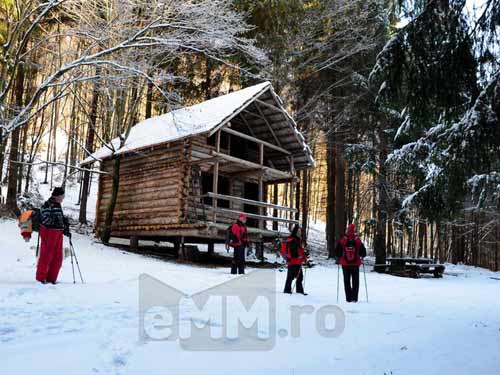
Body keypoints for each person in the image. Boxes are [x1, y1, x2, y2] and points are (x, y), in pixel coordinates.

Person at [36, 187, 71, 284]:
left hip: (58, 234)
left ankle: (51, 279)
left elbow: (59, 219)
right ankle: (41, 278)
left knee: (58, 257)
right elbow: (45, 218)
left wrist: (65, 225)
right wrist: (56, 222)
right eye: (62, 196)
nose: (63, 198)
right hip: (49, 233)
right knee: (46, 256)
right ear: (57, 196)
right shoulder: (48, 204)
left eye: (63, 196)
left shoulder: (58, 205)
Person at [334, 224, 367, 302]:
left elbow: (337, 252)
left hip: (345, 264)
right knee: (355, 282)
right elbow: (364, 253)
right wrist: (361, 256)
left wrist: (340, 257)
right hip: (355, 265)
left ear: (348, 229)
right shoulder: (357, 240)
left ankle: (348, 299)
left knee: (346, 281)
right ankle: (354, 299)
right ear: (354, 230)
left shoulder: (344, 239)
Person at [282, 224, 307, 295]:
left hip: (295, 262)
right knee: (292, 277)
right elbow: (294, 252)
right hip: (294, 262)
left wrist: (303, 255)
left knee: (298, 277)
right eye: (299, 232)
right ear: (295, 232)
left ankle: (297, 291)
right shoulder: (293, 240)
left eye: (300, 232)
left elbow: (299, 250)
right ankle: (288, 291)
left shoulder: (296, 240)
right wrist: (300, 256)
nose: (300, 233)